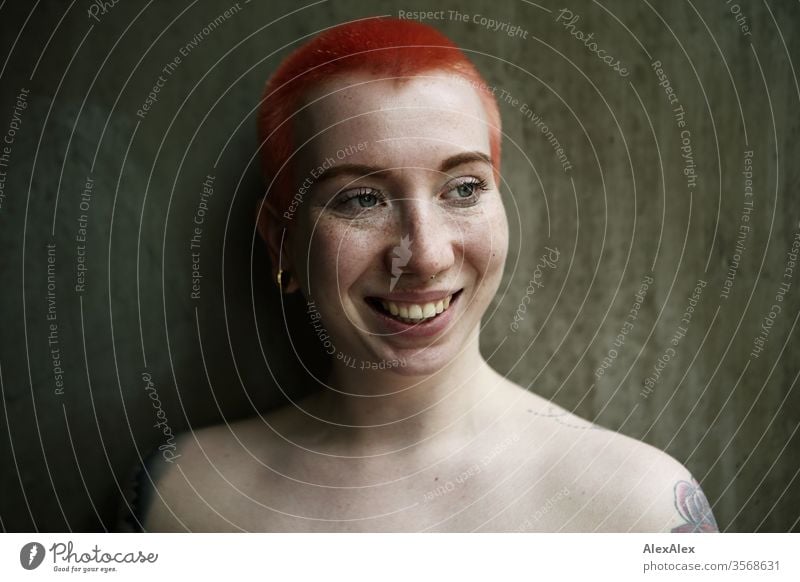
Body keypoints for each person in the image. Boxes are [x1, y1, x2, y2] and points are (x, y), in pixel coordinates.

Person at [134, 17, 718, 532]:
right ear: (281, 241)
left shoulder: (639, 512)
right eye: (361, 200)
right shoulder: (184, 503)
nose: (427, 256)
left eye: (464, 189)